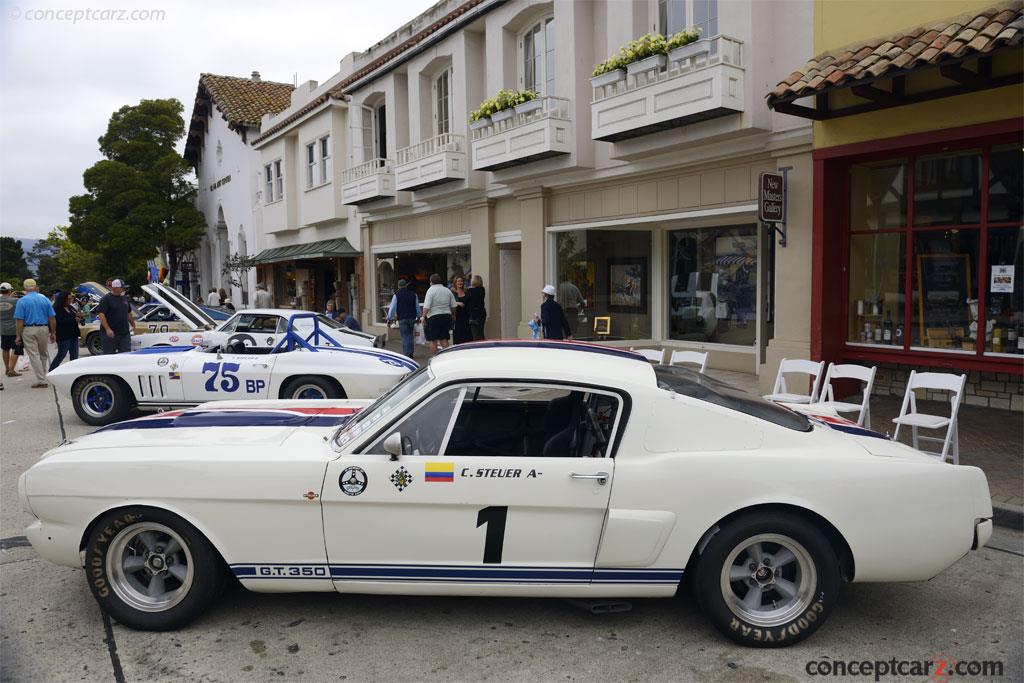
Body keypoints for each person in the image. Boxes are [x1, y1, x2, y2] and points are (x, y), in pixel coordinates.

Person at [13, 278, 56, 387]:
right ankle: (43, 376)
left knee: (33, 355)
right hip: (44, 328)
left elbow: (19, 320)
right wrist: (53, 332)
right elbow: (52, 318)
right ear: (35, 286)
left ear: (24, 288)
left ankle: (41, 379)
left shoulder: (22, 301)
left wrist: (18, 335)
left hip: (29, 329)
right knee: (43, 353)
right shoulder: (45, 299)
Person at [95, 279, 134, 354]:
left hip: (124, 333)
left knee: (126, 355)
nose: (123, 289)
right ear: (115, 288)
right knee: (109, 356)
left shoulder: (124, 298)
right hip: (110, 334)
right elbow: (101, 314)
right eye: (122, 287)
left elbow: (128, 312)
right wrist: (107, 329)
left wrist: (133, 324)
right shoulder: (106, 299)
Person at [422, 273, 456, 356]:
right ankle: (447, 358)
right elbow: (453, 306)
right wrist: (453, 314)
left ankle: (435, 359)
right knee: (444, 338)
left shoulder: (430, 290)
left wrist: (423, 317)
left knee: (433, 340)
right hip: (446, 316)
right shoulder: (447, 290)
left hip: (434, 317)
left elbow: (426, 306)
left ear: (431, 282)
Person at [386, 279, 422, 358]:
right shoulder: (413, 294)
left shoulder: (396, 295)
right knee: (410, 335)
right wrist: (419, 316)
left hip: (402, 318)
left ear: (399, 286)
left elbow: (392, 308)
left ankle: (407, 354)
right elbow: (417, 307)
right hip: (412, 317)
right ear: (406, 285)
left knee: (405, 336)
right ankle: (411, 352)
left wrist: (389, 318)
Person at [49, 291, 82, 371]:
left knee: (75, 354)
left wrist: (79, 316)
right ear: (63, 299)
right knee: (62, 354)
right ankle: (52, 370)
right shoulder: (57, 308)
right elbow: (60, 320)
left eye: (72, 298)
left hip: (73, 333)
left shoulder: (71, 307)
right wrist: (74, 319)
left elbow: (75, 315)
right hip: (63, 334)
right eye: (69, 298)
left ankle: (73, 370)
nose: (71, 300)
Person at [1, 282, 20, 377]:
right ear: (10, 290)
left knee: (5, 349)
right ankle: (12, 369)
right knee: (16, 349)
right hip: (14, 329)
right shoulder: (15, 301)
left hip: (3, 329)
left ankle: (7, 368)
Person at [450, 275, 472, 345]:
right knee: (458, 336)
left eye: (461, 281)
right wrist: (457, 303)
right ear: (455, 283)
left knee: (467, 336)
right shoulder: (452, 292)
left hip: (466, 317)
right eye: (458, 281)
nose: (460, 283)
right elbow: (448, 302)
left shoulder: (466, 291)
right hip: (457, 317)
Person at [465, 275, 487, 341]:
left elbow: (466, 301)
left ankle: (478, 348)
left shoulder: (470, 291)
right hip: (482, 314)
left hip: (474, 315)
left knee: (475, 335)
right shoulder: (482, 290)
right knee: (481, 333)